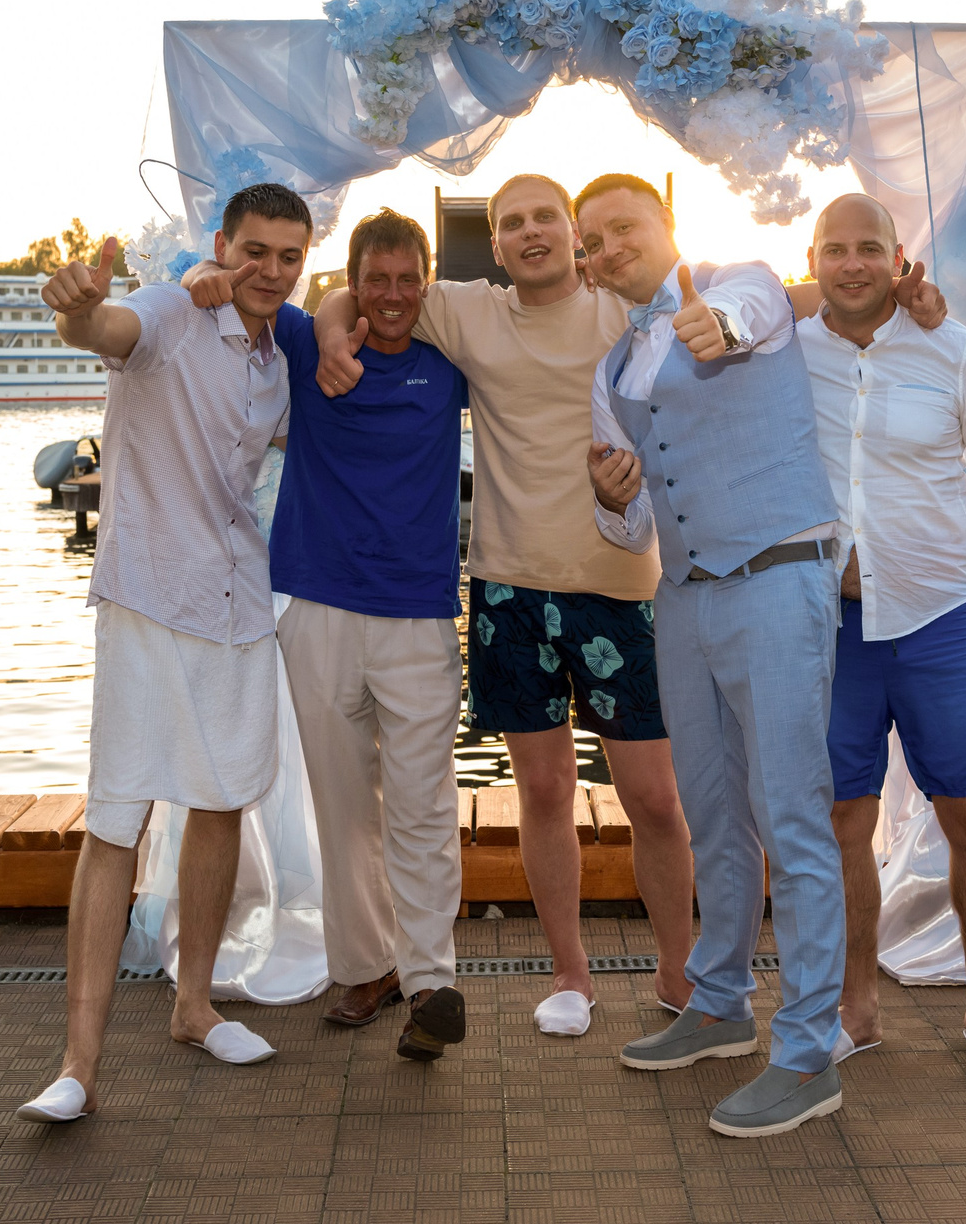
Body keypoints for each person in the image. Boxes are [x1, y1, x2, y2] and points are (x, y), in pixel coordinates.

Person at [296, 173, 695, 1035]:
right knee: (544, 790)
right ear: (498, 242)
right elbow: (352, 293)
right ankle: (569, 974)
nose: (529, 232)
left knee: (656, 797)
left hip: (621, 587)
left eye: (545, 218)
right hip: (510, 587)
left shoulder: (625, 308)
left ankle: (678, 969)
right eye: (511, 222)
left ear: (574, 235)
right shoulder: (467, 311)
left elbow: (743, 297)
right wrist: (330, 328)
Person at [15, 184, 310, 1123]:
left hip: (237, 606)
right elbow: (107, 328)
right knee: (117, 817)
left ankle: (194, 1004)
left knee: (222, 801)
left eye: (288, 256)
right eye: (254, 250)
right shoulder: (178, 311)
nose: (270, 270)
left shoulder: (278, 357)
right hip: (148, 599)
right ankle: (78, 1064)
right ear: (221, 244)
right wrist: (78, 304)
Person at [583, 172, 851, 1140]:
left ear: (665, 226)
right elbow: (637, 526)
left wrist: (722, 329)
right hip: (685, 600)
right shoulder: (610, 373)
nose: (609, 249)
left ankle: (811, 1050)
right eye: (595, 243)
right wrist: (615, 503)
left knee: (793, 814)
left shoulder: (743, 286)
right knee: (709, 812)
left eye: (624, 228)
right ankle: (719, 1003)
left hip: (779, 576)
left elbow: (747, 311)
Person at [797, 194, 966, 1087]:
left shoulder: (954, 350)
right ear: (812, 258)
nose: (853, 264)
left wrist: (929, 533)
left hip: (939, 617)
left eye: (870, 249)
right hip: (832, 627)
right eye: (836, 249)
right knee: (837, 823)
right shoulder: (791, 352)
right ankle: (854, 1012)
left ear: (899, 259)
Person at [269, 207, 472, 1061]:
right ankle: (365, 966)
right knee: (342, 800)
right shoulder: (307, 345)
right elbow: (243, 297)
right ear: (351, 282)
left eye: (405, 278)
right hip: (315, 604)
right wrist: (316, 311)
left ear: (424, 281)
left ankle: (431, 981)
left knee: (423, 799)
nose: (391, 295)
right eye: (374, 279)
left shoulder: (451, 365)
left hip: (419, 614)